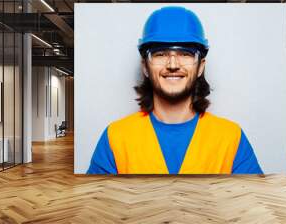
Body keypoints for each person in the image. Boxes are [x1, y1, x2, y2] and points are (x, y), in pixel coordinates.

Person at [87, 6, 263, 174]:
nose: (172, 65)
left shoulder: (231, 138)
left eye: (185, 54)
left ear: (200, 67)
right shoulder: (115, 138)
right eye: (160, 54)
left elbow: (252, 202)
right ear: (146, 67)